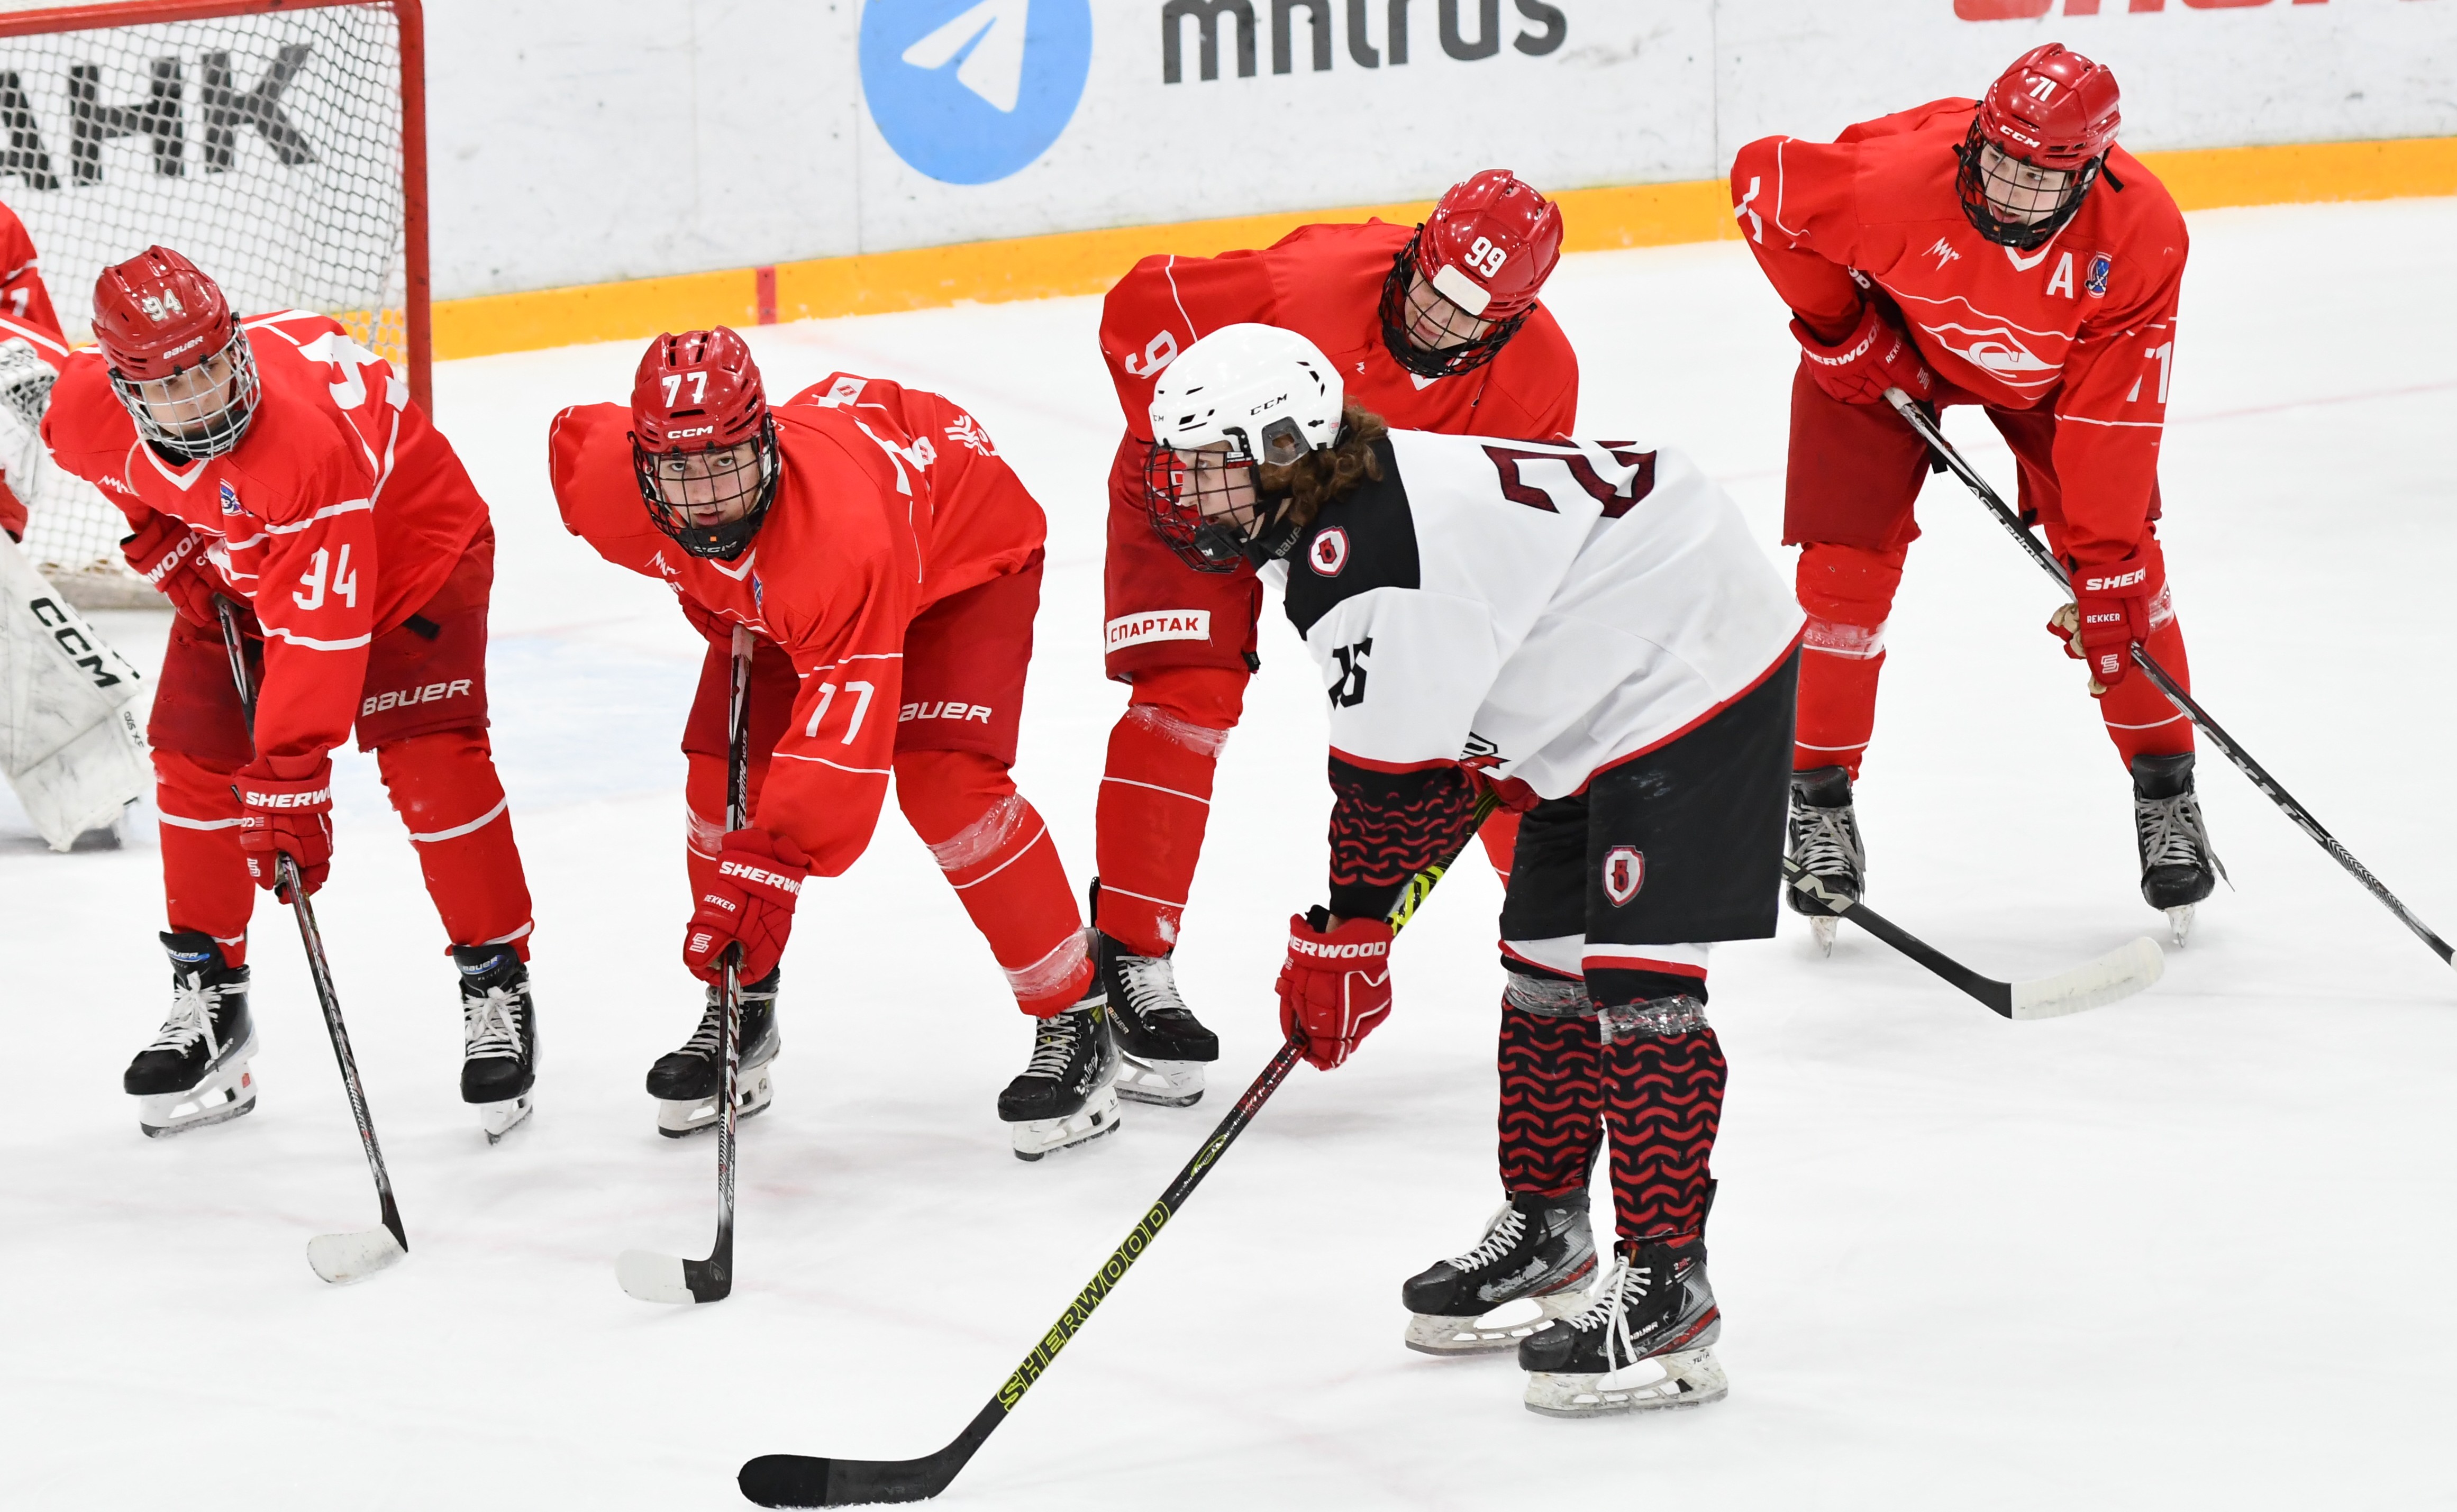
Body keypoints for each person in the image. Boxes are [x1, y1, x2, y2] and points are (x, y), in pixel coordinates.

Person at [1141, 322, 1801, 1414]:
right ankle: (1549, 1230)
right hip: (1585, 672)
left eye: (1208, 460)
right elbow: (1427, 756)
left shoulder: (1371, 559)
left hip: (1692, 658)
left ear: (1282, 445)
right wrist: (1351, 930)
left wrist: (1345, 933)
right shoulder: (1333, 515)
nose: (1188, 488)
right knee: (1544, 964)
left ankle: (1668, 1285)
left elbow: (1389, 788)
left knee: (1640, 985)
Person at [549, 332, 1114, 1160]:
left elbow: (835, 760)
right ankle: (741, 1007)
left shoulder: (838, 539)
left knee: (945, 784)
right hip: (800, 590)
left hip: (958, 552)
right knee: (720, 779)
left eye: (726, 465)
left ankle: (1077, 1017)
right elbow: (572, 436)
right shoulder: (610, 488)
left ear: (765, 441)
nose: (705, 498)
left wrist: (765, 880)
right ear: (641, 463)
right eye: (680, 471)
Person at [1090, 168, 1582, 1107]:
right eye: (1430, 293)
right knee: (1186, 697)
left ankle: (1567, 956)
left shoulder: (1541, 381)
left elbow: (1501, 532)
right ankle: (1130, 957)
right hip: (1201, 487)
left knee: (1500, 716)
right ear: (1415, 253)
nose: (1436, 326)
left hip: (1349, 529)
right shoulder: (1309, 279)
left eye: (1468, 320)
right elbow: (1137, 303)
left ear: (1516, 320)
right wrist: (1201, 462)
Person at [41, 247, 540, 1140]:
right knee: (193, 757)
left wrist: (291, 779)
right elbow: (130, 480)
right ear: (124, 391)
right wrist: (167, 542)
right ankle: (212, 996)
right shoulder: (85, 417)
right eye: (171, 385)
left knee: (431, 763)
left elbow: (321, 640)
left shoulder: (299, 449)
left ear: (233, 344)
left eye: (210, 367)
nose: (203, 398)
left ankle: (495, 979)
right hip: (258, 563)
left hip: (416, 556)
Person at [1729, 43, 2219, 946]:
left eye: (2041, 179)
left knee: (2128, 583)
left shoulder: (2141, 234)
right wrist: (1839, 330)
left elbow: (2114, 421)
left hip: (2054, 383)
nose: (2008, 192)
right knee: (1842, 580)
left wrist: (2104, 571)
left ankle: (2168, 793)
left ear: (2092, 173)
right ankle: (1818, 801)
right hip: (1887, 357)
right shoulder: (1893, 178)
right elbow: (1762, 186)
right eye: (1998, 161)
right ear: (1976, 142)